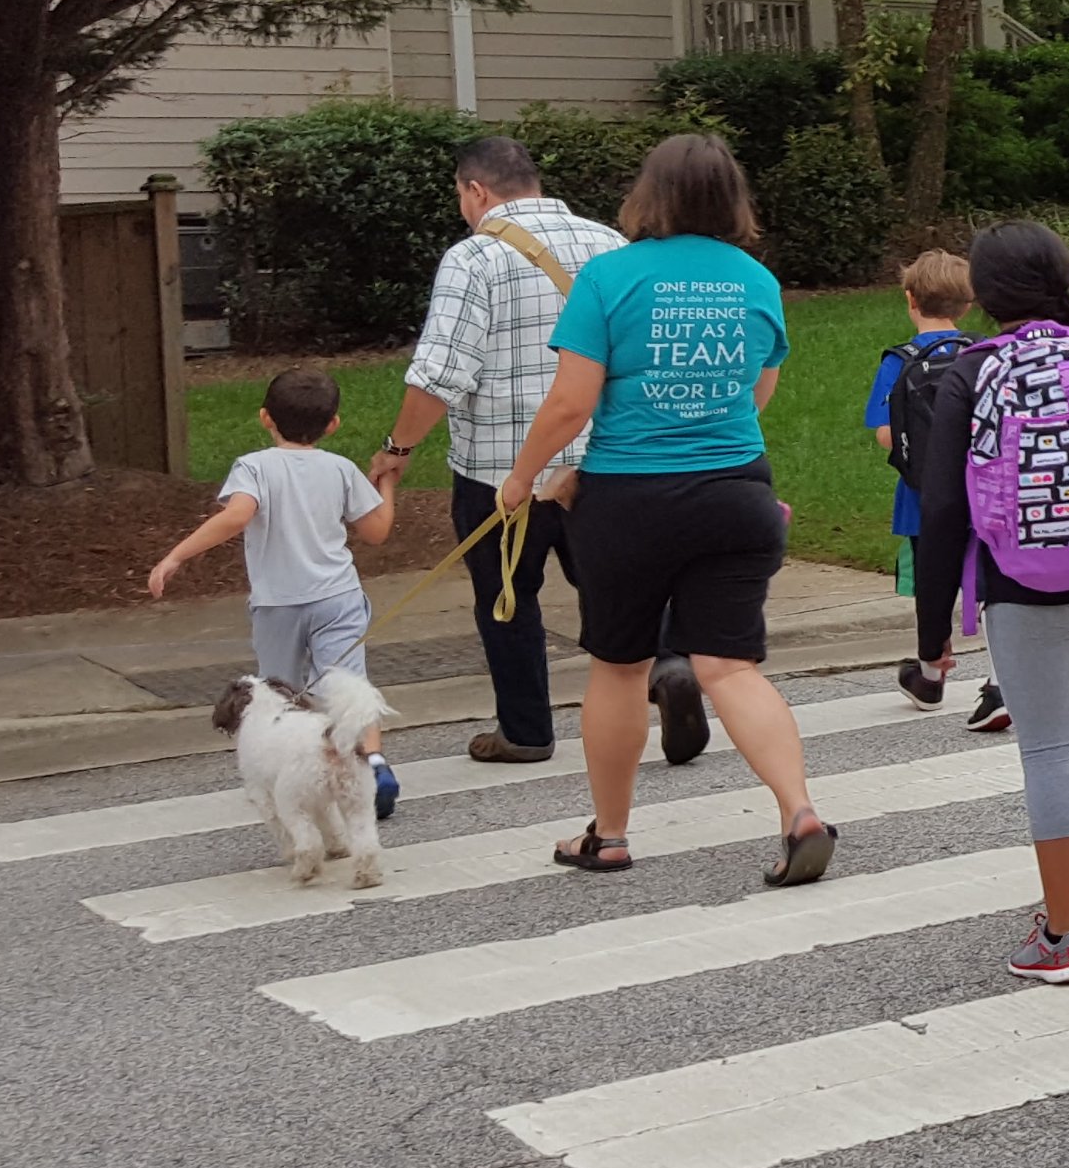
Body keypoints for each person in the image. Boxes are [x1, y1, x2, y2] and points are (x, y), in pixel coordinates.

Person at [495, 134, 832, 885]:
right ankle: (798, 811)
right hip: (736, 494)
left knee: (619, 666)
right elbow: (756, 393)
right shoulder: (756, 280)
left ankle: (608, 835)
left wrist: (524, 479)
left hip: (628, 500)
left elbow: (571, 402)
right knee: (729, 665)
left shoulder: (608, 277)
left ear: (649, 196)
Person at [360, 137, 698, 770]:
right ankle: (668, 667)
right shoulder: (610, 244)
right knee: (615, 582)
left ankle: (525, 731)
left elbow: (441, 374)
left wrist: (397, 448)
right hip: (604, 458)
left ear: (475, 191)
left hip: (501, 470)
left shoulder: (475, 256)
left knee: (507, 596)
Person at [912, 222, 1069, 983]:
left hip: (1026, 584)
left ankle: (1059, 938)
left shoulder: (972, 372)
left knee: (1047, 745)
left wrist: (932, 636)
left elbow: (943, 512)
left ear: (984, 296)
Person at [152, 369, 401, 812]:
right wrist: (388, 483)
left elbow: (236, 516)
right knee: (346, 682)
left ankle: (302, 770)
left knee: (281, 691)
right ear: (333, 424)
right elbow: (377, 531)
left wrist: (176, 556)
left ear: (265, 417)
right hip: (337, 596)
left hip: (277, 602)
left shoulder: (253, 467)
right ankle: (373, 763)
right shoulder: (341, 469)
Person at [869, 249, 1001, 730]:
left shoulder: (900, 362)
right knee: (994, 586)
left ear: (910, 299)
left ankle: (930, 674)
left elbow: (885, 432)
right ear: (967, 305)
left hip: (922, 498)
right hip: (986, 493)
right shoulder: (987, 353)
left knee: (932, 584)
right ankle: (1000, 681)